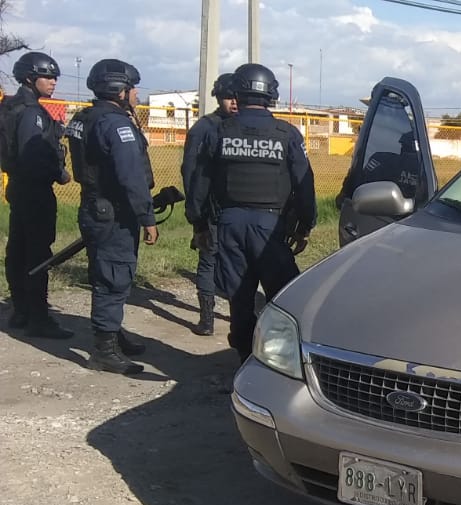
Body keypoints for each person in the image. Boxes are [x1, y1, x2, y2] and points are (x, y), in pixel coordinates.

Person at [188, 63, 316, 363]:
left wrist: (199, 224)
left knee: (240, 299)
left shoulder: (217, 132)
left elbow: (200, 183)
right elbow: (304, 183)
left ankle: (244, 358)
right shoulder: (286, 133)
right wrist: (305, 225)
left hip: (230, 224)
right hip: (271, 227)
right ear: (271, 93)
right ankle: (280, 361)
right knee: (284, 298)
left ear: (238, 92)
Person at [65, 59, 159, 375]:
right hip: (114, 213)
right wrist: (147, 217)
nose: (136, 94)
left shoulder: (85, 117)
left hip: (93, 206)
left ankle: (114, 334)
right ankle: (105, 351)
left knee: (104, 272)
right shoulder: (115, 124)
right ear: (118, 91)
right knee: (114, 277)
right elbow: (130, 174)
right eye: (133, 88)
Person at [2, 52, 74, 338]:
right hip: (35, 190)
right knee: (37, 255)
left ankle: (20, 311)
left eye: (55, 76)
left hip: (18, 187)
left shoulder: (9, 107)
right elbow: (34, 155)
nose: (53, 81)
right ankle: (39, 318)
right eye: (48, 76)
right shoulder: (33, 113)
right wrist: (59, 172)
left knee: (17, 251)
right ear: (31, 79)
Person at [181, 72, 237, 336]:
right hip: (211, 211)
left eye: (238, 96)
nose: (234, 102)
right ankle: (207, 318)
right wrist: (197, 216)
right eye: (228, 97)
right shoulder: (205, 128)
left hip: (238, 213)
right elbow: (191, 173)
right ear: (219, 97)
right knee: (208, 262)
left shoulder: (246, 127)